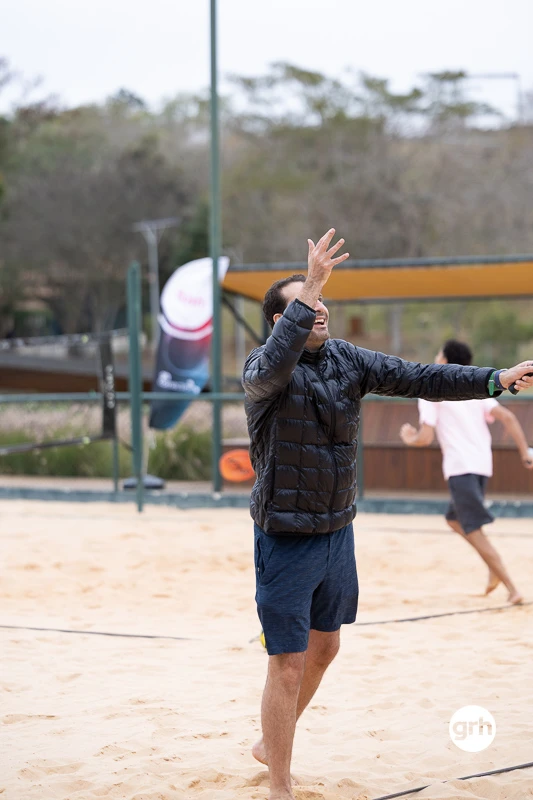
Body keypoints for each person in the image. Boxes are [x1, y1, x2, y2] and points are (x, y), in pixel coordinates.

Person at [241, 228, 533, 800]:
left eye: (322, 299)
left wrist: (495, 379)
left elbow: (423, 376)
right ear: (281, 321)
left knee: (327, 647)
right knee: (287, 662)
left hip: (337, 530)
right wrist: (313, 281)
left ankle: (270, 742)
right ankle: (279, 785)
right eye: (307, 301)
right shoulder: (262, 370)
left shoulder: (348, 359)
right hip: (285, 534)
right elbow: (271, 368)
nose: (320, 307)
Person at [400, 339, 532, 605]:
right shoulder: (475, 387)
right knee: (454, 520)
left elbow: (425, 437)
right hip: (482, 465)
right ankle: (494, 570)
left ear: (444, 360)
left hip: (460, 468)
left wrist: (409, 437)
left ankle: (511, 588)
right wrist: (525, 452)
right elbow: (508, 418)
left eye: (439, 353)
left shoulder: (430, 388)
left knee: (472, 529)